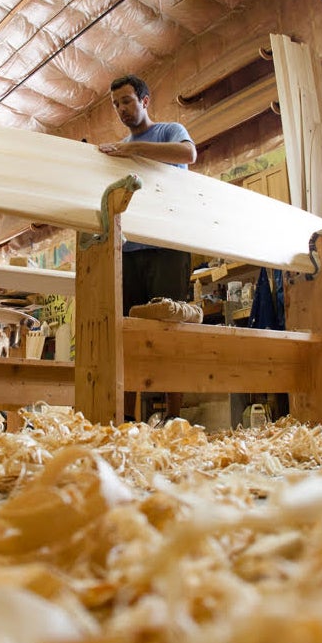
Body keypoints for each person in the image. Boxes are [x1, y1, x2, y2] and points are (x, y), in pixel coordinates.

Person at [99, 74, 197, 422]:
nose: (121, 109)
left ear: (144, 100)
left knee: (172, 328)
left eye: (126, 101)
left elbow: (190, 153)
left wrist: (133, 148)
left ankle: (173, 418)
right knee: (128, 332)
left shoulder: (168, 131)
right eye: (115, 105)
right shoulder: (119, 149)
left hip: (168, 244)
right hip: (129, 251)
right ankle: (126, 420)